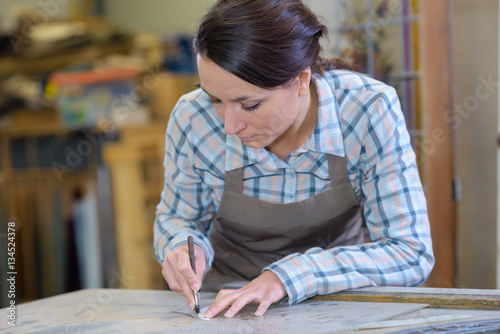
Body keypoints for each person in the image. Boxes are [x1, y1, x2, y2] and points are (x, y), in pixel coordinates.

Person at [154, 0, 434, 319]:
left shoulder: (368, 109)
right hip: (229, 307)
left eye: (250, 105)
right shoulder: (193, 118)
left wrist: (289, 276)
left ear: (301, 79)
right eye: (215, 99)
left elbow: (410, 252)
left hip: (339, 303)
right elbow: (178, 218)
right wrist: (180, 248)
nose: (229, 126)